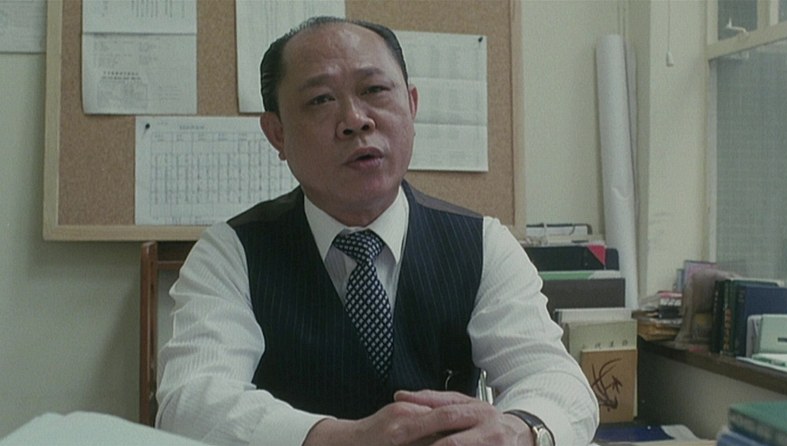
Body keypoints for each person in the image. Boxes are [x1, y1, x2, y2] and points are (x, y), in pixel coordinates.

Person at [156, 16, 599, 446]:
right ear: (277, 134)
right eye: (320, 100)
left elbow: (556, 380)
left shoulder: (481, 243)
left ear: (412, 105)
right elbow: (190, 404)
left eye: (374, 90)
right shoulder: (232, 252)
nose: (355, 119)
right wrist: (344, 439)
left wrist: (524, 430)